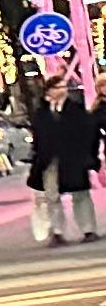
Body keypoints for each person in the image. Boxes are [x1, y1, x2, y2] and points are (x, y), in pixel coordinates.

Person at [43, 81, 101, 245]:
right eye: (58, 87)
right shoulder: (43, 111)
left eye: (64, 87)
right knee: (52, 196)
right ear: (49, 91)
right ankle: (57, 231)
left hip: (73, 158)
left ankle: (88, 229)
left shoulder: (76, 109)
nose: (63, 90)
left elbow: (89, 133)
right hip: (50, 160)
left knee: (80, 194)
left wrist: (88, 156)